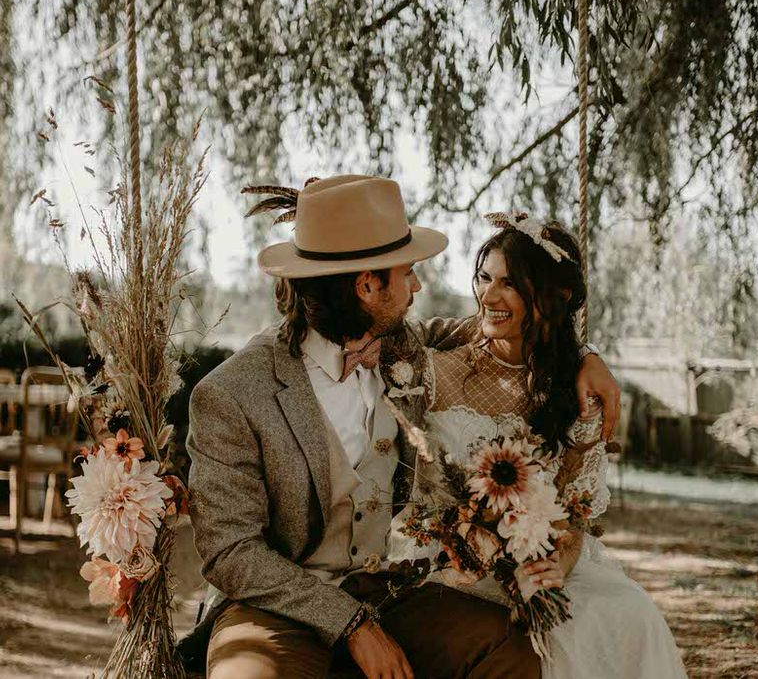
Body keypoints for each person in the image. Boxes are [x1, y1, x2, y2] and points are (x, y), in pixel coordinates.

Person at [184, 175, 621, 678]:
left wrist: (585, 357)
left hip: (392, 589)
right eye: (407, 273)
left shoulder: (401, 345)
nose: (419, 287)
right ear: (367, 285)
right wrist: (351, 626)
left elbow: (505, 327)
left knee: (512, 655)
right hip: (277, 607)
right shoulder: (234, 392)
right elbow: (231, 552)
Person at [388, 213, 688, 679]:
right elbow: (383, 336)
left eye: (510, 284)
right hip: (451, 560)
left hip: (546, 560)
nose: (489, 296)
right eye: (484, 278)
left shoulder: (577, 393)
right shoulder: (436, 370)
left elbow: (577, 510)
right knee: (537, 637)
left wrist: (553, 568)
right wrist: (475, 544)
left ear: (557, 297)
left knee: (630, 616)